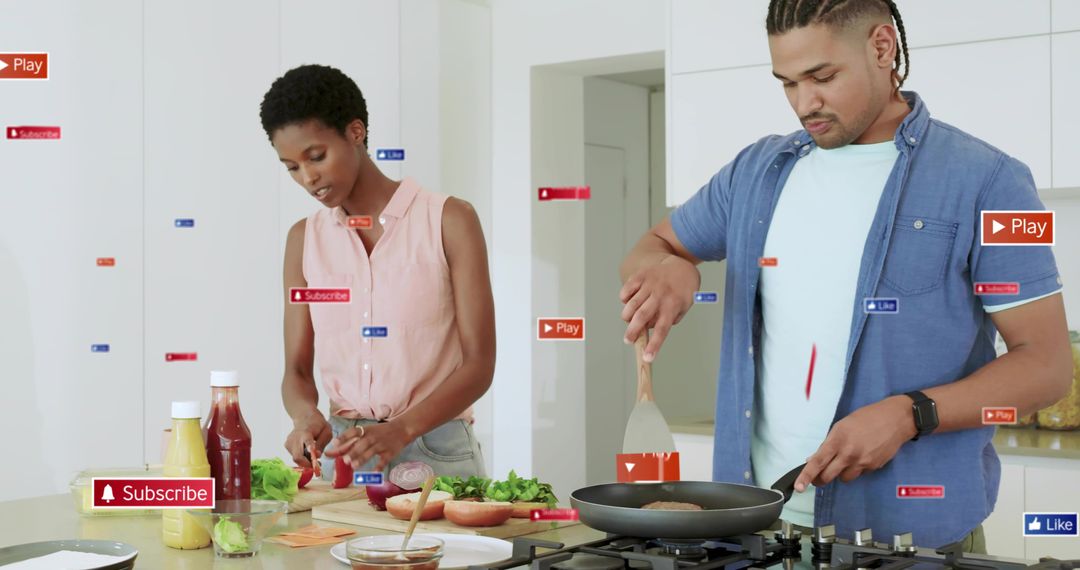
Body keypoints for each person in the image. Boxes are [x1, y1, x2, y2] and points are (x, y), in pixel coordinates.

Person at [618, 0, 1072, 551]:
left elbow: (1047, 368)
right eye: (787, 83)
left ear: (882, 48)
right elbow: (654, 244)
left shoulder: (994, 181)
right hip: (755, 530)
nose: (804, 103)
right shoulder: (753, 173)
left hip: (911, 542)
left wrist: (912, 414)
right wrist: (670, 266)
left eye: (822, 77)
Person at [260, 64, 495, 479]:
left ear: (355, 132)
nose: (308, 178)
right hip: (344, 457)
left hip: (436, 451)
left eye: (316, 156)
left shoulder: (449, 220)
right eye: (291, 167)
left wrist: (402, 429)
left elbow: (479, 364)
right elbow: (296, 368)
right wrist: (303, 417)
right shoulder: (303, 240)